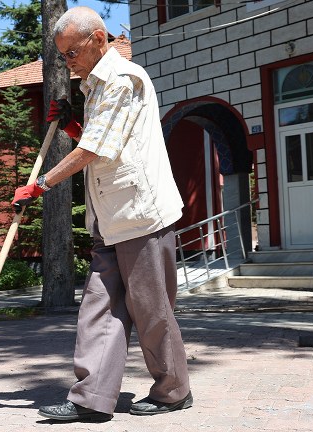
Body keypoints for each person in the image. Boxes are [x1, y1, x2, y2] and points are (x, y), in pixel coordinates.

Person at [11, 6, 191, 423]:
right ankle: (91, 398)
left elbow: (96, 149)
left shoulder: (121, 79)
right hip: (109, 219)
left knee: (151, 310)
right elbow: (105, 142)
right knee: (99, 307)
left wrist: (40, 185)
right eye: (62, 56)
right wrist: (73, 126)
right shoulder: (94, 85)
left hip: (141, 216)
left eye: (71, 53)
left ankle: (173, 391)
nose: (67, 63)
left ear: (97, 39)